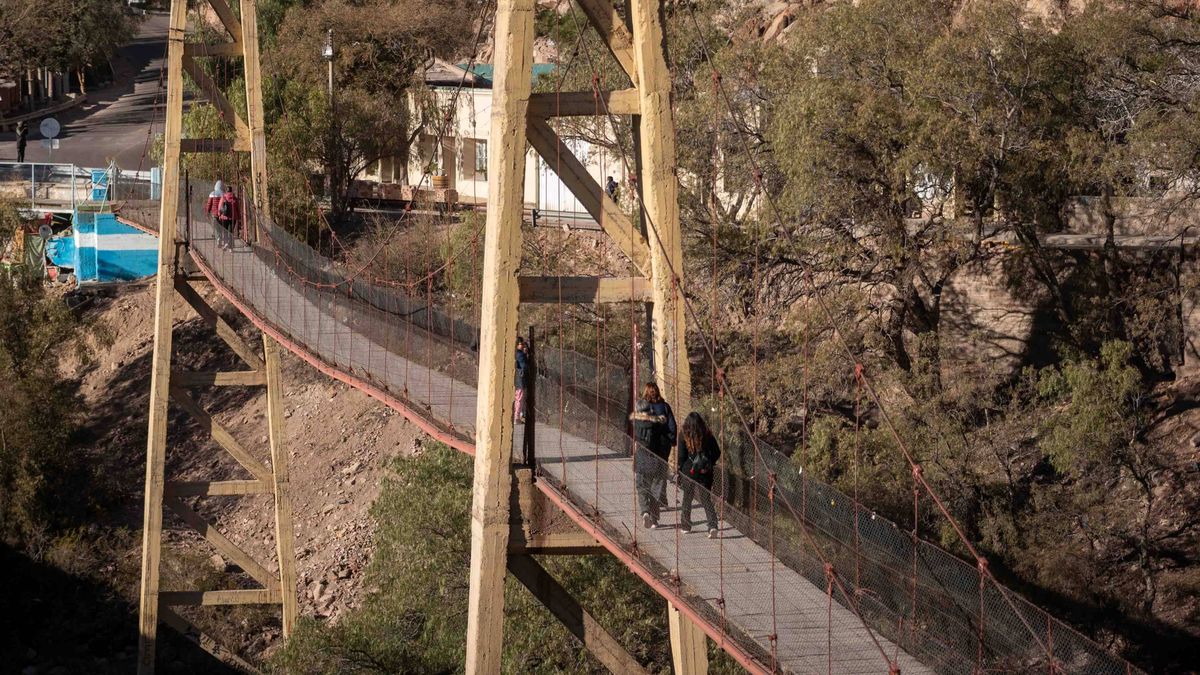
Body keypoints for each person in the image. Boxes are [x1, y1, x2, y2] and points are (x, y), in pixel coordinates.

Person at [630, 382, 675, 529]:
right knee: (657, 486)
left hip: (642, 457)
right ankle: (655, 519)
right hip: (659, 455)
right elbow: (671, 428)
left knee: (642, 487)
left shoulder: (636, 421)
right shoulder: (665, 408)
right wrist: (672, 441)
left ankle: (645, 512)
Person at [677, 412, 721, 538]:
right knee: (706, 499)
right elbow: (717, 452)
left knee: (687, 498)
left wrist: (680, 470)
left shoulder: (683, 435)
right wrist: (709, 462)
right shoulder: (708, 435)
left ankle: (685, 526)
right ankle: (713, 526)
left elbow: (681, 456)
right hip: (705, 473)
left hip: (689, 472)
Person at [204, 180, 229, 249]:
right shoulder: (224, 194)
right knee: (222, 227)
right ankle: (224, 240)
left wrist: (207, 211)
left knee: (217, 228)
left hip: (214, 214)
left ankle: (218, 238)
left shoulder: (212, 193)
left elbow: (209, 204)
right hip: (222, 214)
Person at [514, 336, 529, 424]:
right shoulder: (520, 355)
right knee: (519, 398)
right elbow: (524, 366)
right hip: (520, 380)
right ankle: (517, 417)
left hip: (516, 379)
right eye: (521, 344)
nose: (523, 346)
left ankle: (518, 415)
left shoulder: (515, 353)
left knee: (517, 398)